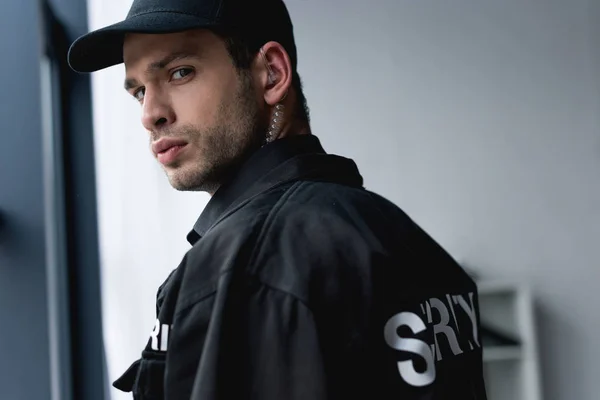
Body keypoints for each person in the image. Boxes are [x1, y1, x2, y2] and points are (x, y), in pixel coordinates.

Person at [68, 0, 488, 399]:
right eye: (139, 91)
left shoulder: (242, 265)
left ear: (271, 72)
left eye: (180, 73)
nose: (150, 114)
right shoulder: (406, 240)